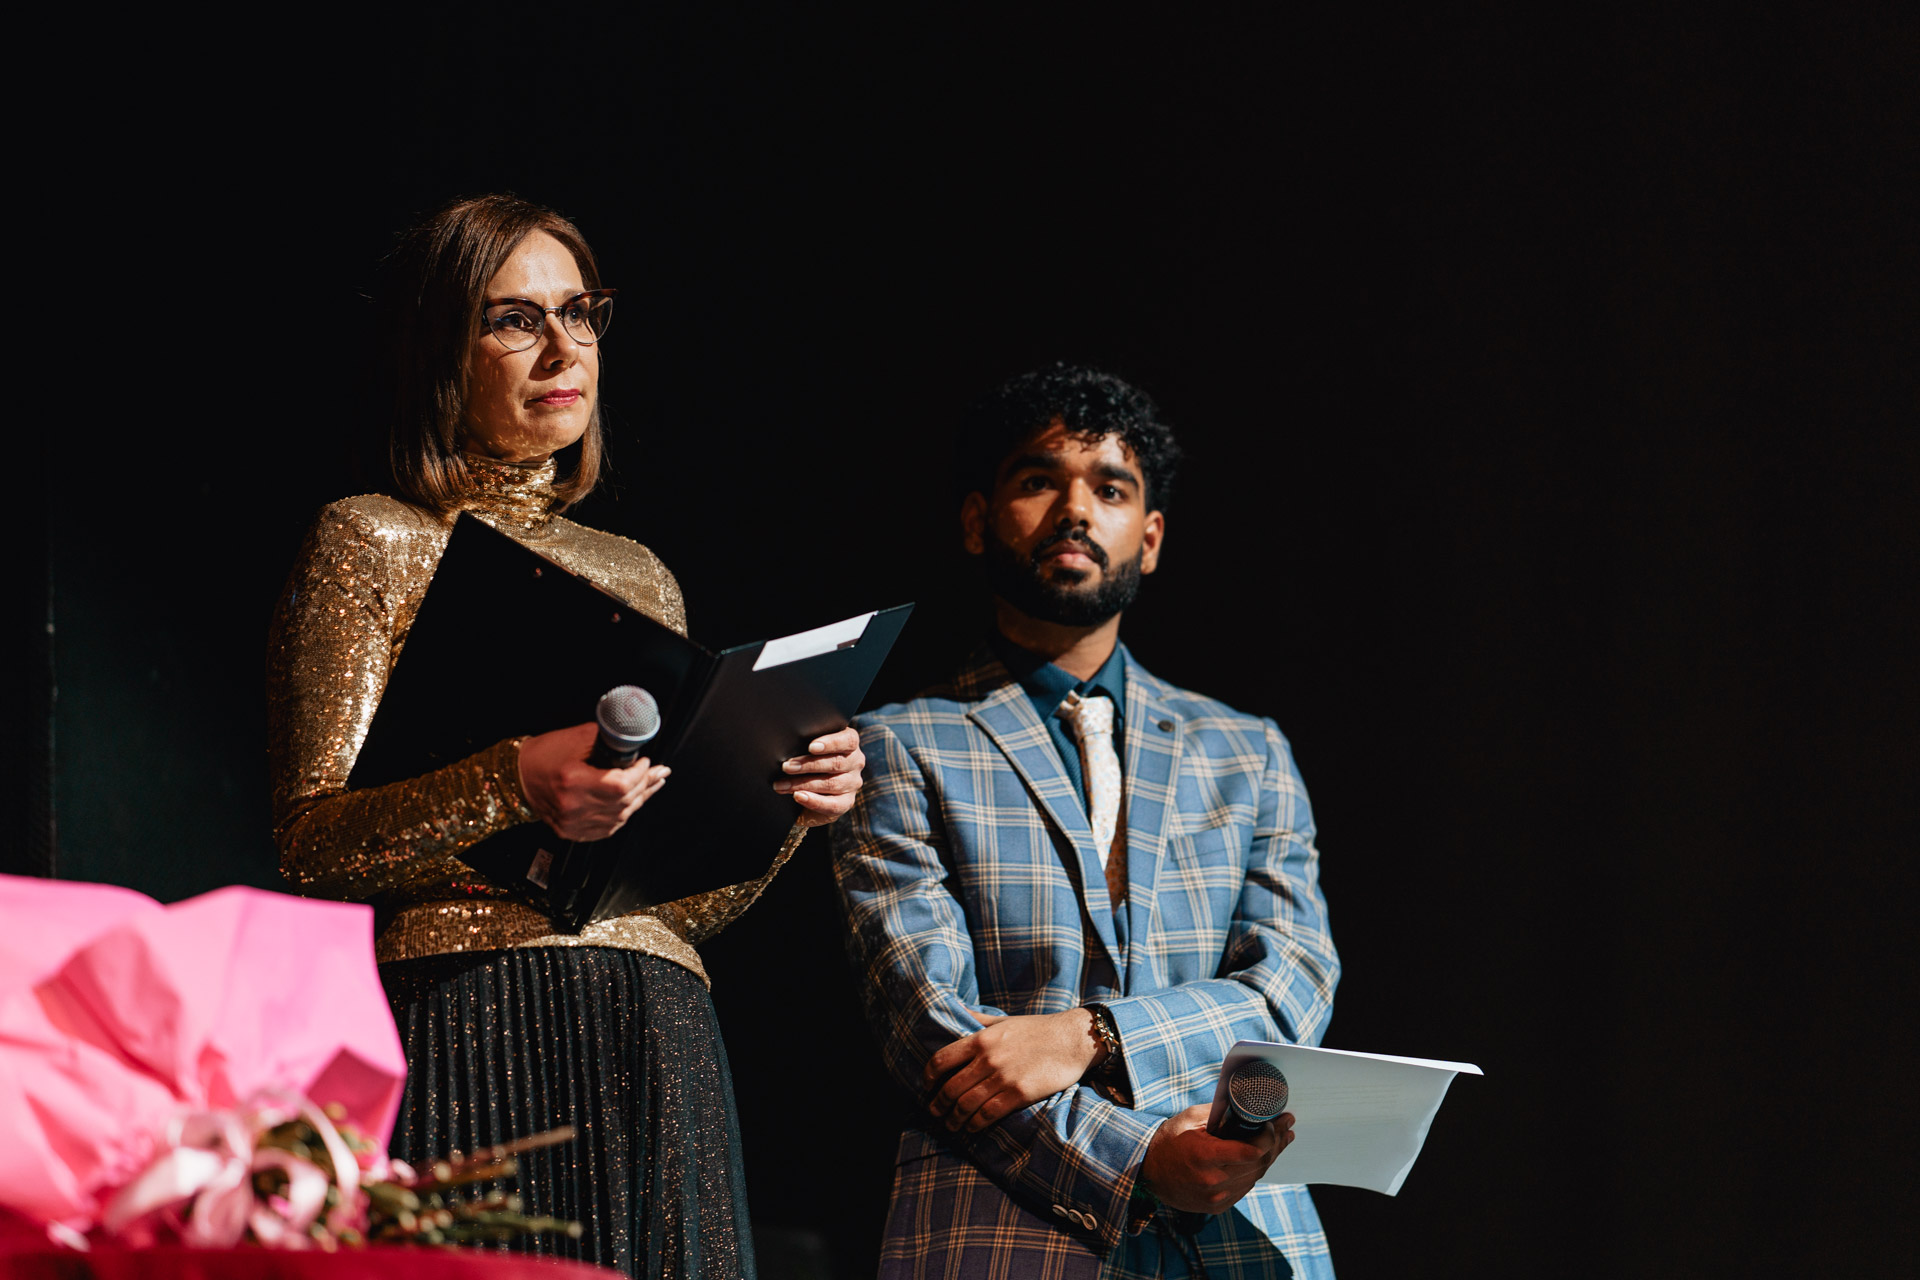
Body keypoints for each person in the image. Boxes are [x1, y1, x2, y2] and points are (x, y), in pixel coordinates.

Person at [266, 194, 865, 1278]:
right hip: (468, 1014)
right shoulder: (373, 537)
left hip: (658, 1023)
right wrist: (510, 780)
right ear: (438, 350)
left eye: (581, 313)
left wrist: (784, 808)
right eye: (514, 319)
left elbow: (668, 904)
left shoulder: (641, 572)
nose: (562, 347)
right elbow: (313, 846)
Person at [831, 364, 1340, 1279]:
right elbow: (933, 1031)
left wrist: (1091, 1035)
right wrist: (1138, 1160)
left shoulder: (1246, 749)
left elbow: (1291, 987)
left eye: (1110, 490)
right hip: (1005, 1232)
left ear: (1150, 538)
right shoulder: (898, 744)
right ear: (978, 521)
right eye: (1040, 480)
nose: (1075, 509)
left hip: (1248, 1232)